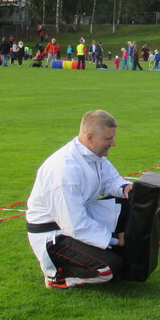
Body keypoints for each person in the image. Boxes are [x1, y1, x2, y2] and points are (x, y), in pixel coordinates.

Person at [25, 110, 134, 289]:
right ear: (90, 137)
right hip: (54, 235)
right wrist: (114, 239)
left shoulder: (92, 155)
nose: (113, 143)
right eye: (108, 138)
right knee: (109, 267)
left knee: (130, 202)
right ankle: (58, 276)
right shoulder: (64, 170)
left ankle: (119, 257)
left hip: (75, 220)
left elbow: (109, 180)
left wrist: (125, 188)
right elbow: (74, 225)